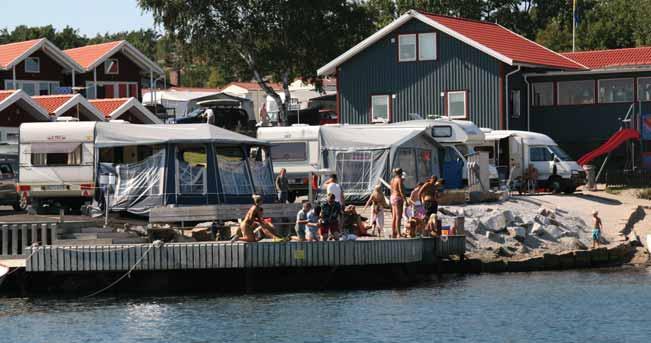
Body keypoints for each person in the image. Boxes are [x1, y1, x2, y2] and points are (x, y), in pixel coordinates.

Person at [390, 168, 406, 238]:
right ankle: (399, 234)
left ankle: (394, 233)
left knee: (394, 217)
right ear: (401, 173)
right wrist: (405, 200)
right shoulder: (399, 180)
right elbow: (401, 191)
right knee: (398, 217)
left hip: (392, 197)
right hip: (398, 198)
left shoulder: (392, 180)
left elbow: (391, 190)